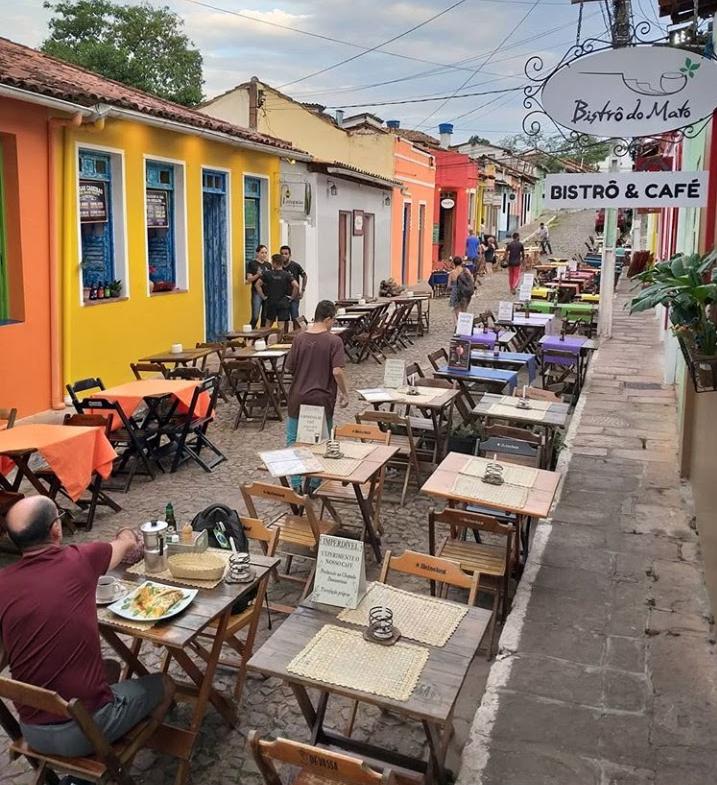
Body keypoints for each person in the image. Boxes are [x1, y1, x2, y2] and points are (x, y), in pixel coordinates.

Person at [0, 496, 175, 758]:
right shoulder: (79, 559)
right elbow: (124, 543)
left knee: (111, 667)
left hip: (32, 731)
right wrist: (127, 533)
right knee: (166, 684)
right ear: (56, 529)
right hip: (83, 731)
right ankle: (116, 758)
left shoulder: (3, 583)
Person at [285, 300, 349, 490]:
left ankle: (295, 484)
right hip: (321, 399)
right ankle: (314, 483)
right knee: (321, 442)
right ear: (328, 318)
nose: (333, 324)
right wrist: (345, 393)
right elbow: (337, 371)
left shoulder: (299, 339)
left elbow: (290, 368)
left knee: (294, 440)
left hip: (298, 397)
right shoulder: (334, 341)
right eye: (333, 320)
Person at [256, 253, 299, 332]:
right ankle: (280, 341)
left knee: (268, 324)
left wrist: (263, 296)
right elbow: (296, 285)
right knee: (281, 326)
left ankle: (265, 340)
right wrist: (292, 297)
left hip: (271, 302)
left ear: (275, 263)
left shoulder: (267, 274)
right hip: (283, 302)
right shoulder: (287, 275)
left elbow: (257, 285)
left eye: (272, 262)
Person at [280, 245, 308, 330]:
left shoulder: (295, 265)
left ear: (290, 255)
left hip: (294, 296)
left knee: (294, 316)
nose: (284, 256)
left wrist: (302, 290)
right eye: (282, 254)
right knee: (284, 318)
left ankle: (296, 336)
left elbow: (305, 276)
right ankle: (284, 337)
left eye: (286, 254)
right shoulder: (278, 267)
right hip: (282, 296)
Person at [246, 245, 271, 329]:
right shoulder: (252, 264)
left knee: (264, 317)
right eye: (262, 252)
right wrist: (257, 275)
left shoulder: (268, 265)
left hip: (267, 292)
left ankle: (262, 337)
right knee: (255, 317)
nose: (264, 255)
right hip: (256, 292)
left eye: (265, 253)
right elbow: (249, 279)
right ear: (257, 253)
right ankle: (250, 335)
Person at [448, 256, 475, 326]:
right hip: (466, 293)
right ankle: (464, 326)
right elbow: (472, 280)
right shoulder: (466, 270)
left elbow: (448, 286)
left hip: (456, 294)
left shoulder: (452, 273)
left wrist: (454, 286)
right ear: (461, 262)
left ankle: (459, 326)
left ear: (454, 263)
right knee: (464, 310)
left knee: (457, 311)